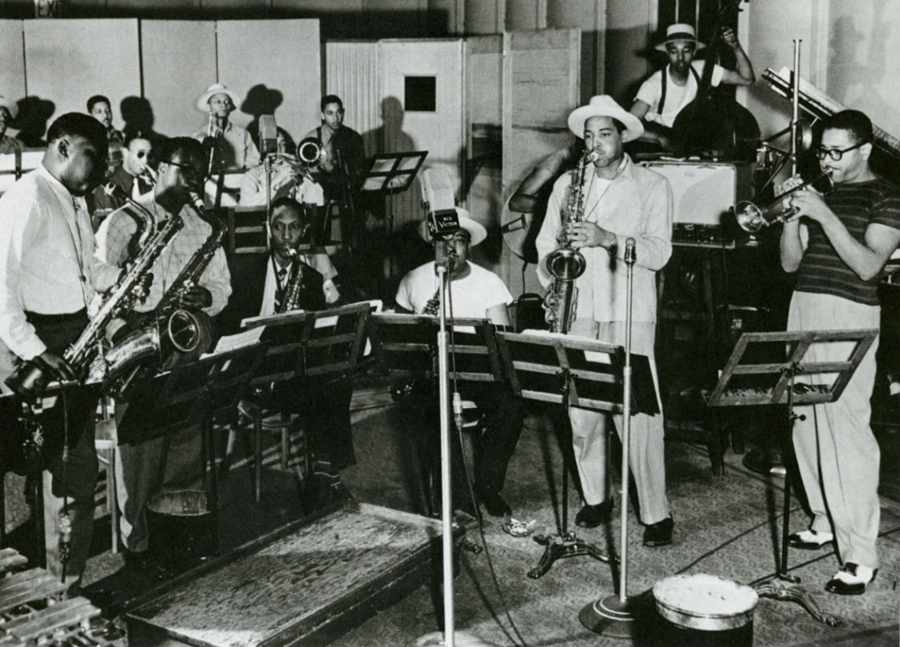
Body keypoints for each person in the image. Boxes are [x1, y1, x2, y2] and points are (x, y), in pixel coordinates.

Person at [536, 95, 674, 546]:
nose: (594, 143)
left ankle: (656, 512)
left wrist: (607, 239)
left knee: (637, 414)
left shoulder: (653, 185)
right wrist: (555, 272)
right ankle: (597, 498)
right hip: (579, 307)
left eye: (604, 134)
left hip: (629, 309)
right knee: (581, 411)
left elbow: (659, 252)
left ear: (623, 136)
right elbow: (544, 246)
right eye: (588, 135)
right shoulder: (565, 186)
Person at [96, 136, 232, 569]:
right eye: (184, 168)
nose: (193, 179)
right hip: (138, 350)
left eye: (199, 171)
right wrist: (128, 343)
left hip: (186, 345)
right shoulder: (123, 221)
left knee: (186, 445)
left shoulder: (205, 225)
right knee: (139, 456)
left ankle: (175, 538)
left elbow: (223, 288)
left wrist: (205, 299)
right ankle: (136, 549)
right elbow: (96, 295)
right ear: (157, 166)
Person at [779, 110, 900, 595]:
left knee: (846, 431)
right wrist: (790, 218)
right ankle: (825, 518)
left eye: (835, 152)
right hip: (803, 305)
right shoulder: (822, 193)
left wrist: (824, 214)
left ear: (864, 150)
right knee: (803, 423)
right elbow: (791, 264)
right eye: (822, 151)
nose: (825, 161)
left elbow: (870, 266)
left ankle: (860, 555)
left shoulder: (887, 195)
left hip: (848, 313)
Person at [0, 113, 121, 592]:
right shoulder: (26, 197)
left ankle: (65, 584)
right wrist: (34, 351)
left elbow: (85, 267)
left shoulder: (71, 198)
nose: (102, 169)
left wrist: (118, 278)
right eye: (94, 156)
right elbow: (0, 285)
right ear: (63, 146)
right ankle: (55, 592)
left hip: (73, 341)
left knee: (74, 471)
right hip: (43, 347)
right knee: (60, 478)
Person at [395, 210, 525, 518]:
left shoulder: (489, 282)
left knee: (511, 406)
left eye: (460, 241)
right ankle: (456, 497)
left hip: (477, 371)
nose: (452, 249)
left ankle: (489, 486)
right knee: (433, 411)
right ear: (432, 244)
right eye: (444, 241)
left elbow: (502, 344)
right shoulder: (413, 279)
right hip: (431, 373)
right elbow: (398, 337)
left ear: (469, 246)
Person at [229, 196, 353, 505]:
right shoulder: (243, 272)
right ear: (267, 229)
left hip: (289, 372)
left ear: (304, 231)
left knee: (335, 379)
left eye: (294, 228)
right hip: (250, 372)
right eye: (279, 227)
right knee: (323, 391)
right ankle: (328, 478)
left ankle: (325, 473)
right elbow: (228, 330)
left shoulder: (310, 278)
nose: (286, 237)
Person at [629, 23, 755, 151]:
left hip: (693, 139)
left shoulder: (703, 69)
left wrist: (736, 47)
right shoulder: (653, 85)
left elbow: (747, 79)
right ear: (667, 53)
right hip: (665, 141)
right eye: (674, 51)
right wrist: (658, 138)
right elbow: (628, 124)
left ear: (694, 51)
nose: (680, 58)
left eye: (686, 50)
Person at [303, 95, 366, 203]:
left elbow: (359, 169)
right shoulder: (311, 139)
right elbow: (307, 173)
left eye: (339, 112)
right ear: (322, 115)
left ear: (343, 113)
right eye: (330, 113)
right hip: (320, 197)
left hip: (348, 195)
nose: (336, 118)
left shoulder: (354, 137)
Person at [240, 130, 324, 208]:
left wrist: (305, 175)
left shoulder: (292, 171)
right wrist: (275, 182)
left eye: (282, 143)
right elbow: (246, 205)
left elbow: (319, 201)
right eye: (274, 144)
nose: (279, 149)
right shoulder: (251, 175)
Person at [194, 83, 260, 171]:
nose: (223, 105)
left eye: (227, 102)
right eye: (218, 102)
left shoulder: (243, 134)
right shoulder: (199, 135)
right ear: (209, 106)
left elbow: (254, 162)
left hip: (240, 180)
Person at [89, 131, 154, 215]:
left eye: (149, 155)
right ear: (125, 152)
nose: (145, 160)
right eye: (140, 154)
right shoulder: (107, 191)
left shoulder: (147, 184)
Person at [87, 94, 125, 170]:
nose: (105, 115)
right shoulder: (86, 139)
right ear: (91, 115)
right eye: (99, 112)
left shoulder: (122, 137)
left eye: (108, 111)